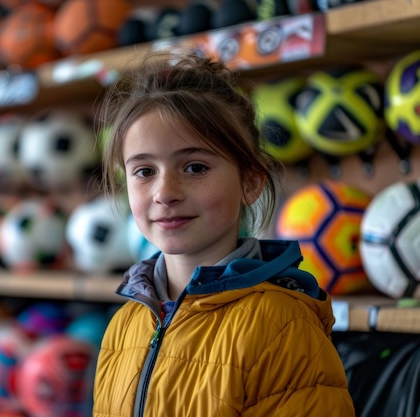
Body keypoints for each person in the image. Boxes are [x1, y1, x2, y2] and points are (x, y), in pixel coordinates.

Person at [92, 48, 355, 417]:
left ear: (250, 182)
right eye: (144, 171)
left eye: (195, 167)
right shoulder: (124, 325)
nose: (165, 192)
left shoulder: (280, 325)